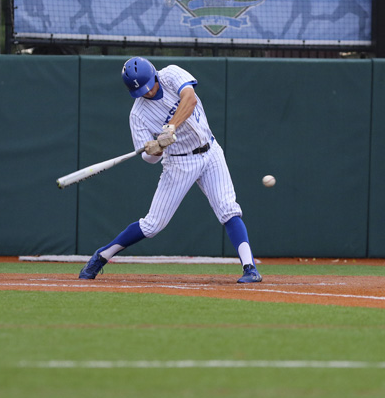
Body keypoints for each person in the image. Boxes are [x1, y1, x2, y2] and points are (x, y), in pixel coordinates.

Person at [79, 57, 262, 284]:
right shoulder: (138, 115)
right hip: (179, 163)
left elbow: (190, 98)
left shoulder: (170, 74)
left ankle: (250, 268)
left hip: (211, 151)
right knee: (153, 225)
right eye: (141, 92)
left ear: (154, 75)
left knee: (228, 209)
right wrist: (156, 148)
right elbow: (149, 158)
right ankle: (101, 256)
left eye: (149, 86)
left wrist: (171, 126)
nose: (147, 93)